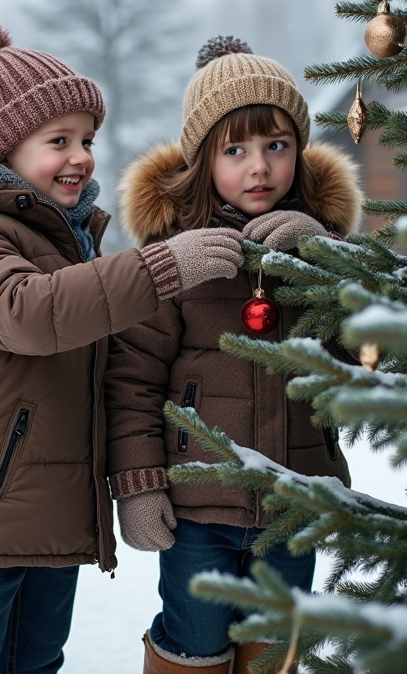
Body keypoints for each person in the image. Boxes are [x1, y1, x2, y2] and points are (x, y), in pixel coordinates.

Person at [0, 21, 246, 674]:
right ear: (3, 150)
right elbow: (28, 312)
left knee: (35, 664)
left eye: (86, 138)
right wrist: (159, 270)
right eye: (58, 140)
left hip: (45, 511)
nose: (81, 156)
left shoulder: (65, 238)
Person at [105, 37, 364, 674]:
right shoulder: (176, 259)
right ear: (202, 161)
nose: (260, 167)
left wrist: (324, 263)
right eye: (236, 150)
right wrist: (138, 485)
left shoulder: (323, 251)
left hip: (294, 500)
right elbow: (132, 381)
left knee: (275, 652)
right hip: (197, 506)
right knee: (193, 641)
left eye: (277, 146)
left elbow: (365, 356)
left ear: (299, 154)